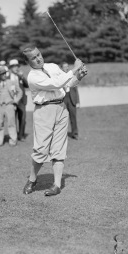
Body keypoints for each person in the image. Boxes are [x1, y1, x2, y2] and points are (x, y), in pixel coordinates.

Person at [22, 47, 87, 196]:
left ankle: (56, 185)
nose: (38, 58)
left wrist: (78, 77)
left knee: (59, 148)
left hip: (61, 108)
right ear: (27, 62)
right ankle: (32, 180)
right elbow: (56, 84)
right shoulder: (33, 77)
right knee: (41, 149)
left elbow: (66, 84)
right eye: (33, 58)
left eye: (39, 54)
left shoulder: (52, 66)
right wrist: (74, 68)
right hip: (44, 111)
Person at [0, 66, 23, 146]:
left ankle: (13, 140)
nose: (4, 75)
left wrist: (15, 101)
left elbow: (20, 92)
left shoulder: (11, 82)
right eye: (2, 74)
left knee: (11, 123)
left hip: (9, 105)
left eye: (5, 73)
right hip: (0, 106)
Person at [8, 59, 29, 141]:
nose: (16, 68)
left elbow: (27, 85)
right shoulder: (7, 77)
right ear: (11, 68)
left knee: (22, 118)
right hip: (12, 99)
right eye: (14, 67)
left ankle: (21, 135)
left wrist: (22, 77)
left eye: (17, 66)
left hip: (21, 100)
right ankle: (13, 136)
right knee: (12, 119)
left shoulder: (20, 76)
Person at [61, 61, 80, 140]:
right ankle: (61, 135)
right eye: (65, 66)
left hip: (72, 98)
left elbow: (76, 89)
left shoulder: (72, 75)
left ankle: (74, 133)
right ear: (61, 68)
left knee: (73, 117)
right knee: (62, 118)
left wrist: (78, 101)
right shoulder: (60, 77)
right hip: (63, 98)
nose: (66, 68)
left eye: (67, 66)